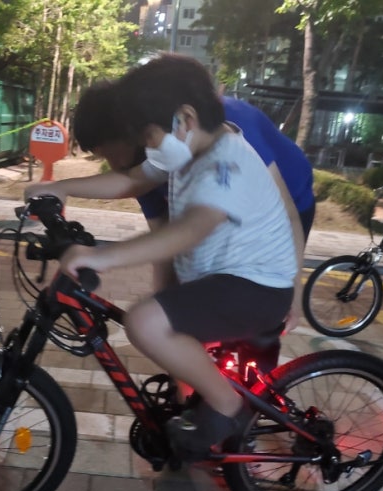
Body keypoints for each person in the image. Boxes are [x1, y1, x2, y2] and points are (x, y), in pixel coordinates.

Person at [55, 54, 298, 459]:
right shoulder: (188, 151)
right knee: (164, 322)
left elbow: (189, 230)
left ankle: (227, 406)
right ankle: (204, 402)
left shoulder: (224, 164)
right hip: (224, 281)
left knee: (145, 321)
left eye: (149, 138)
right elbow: (132, 180)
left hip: (255, 289)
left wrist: (103, 257)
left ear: (184, 119)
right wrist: (60, 189)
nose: (148, 149)